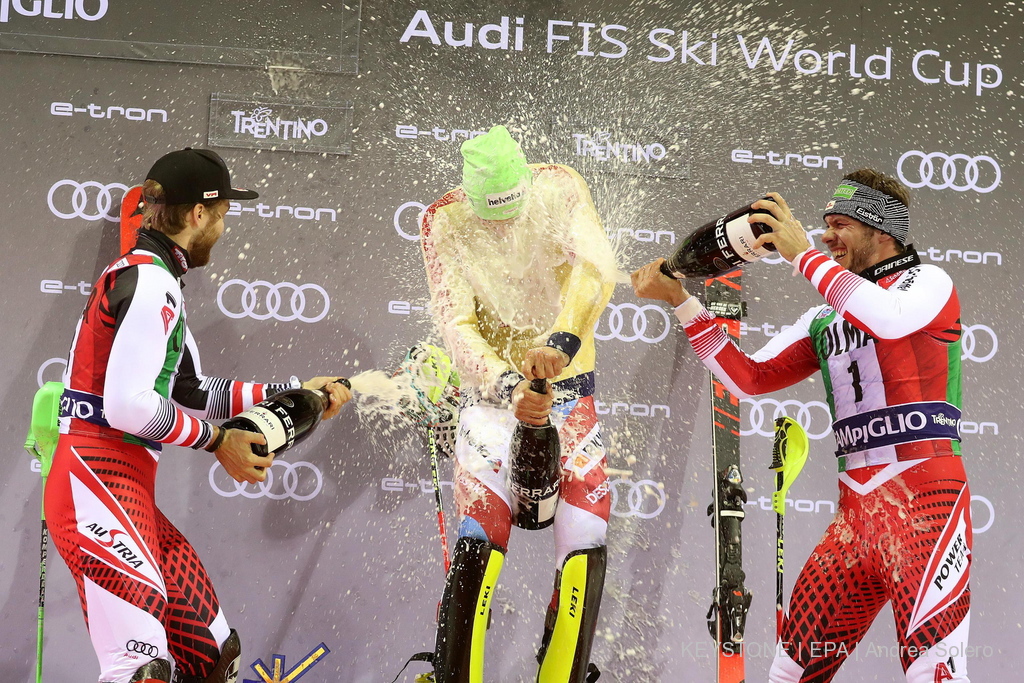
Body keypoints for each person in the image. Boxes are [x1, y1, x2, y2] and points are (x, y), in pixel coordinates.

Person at [632, 170, 971, 683]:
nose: (827, 236)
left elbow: (886, 319)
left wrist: (799, 255)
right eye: (824, 225)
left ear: (882, 231)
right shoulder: (823, 317)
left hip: (926, 502)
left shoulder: (928, 284)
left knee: (933, 673)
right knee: (791, 673)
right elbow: (749, 378)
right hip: (857, 515)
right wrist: (681, 301)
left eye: (840, 225)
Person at [44, 148, 352, 683]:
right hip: (96, 480)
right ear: (198, 215)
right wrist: (218, 443)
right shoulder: (148, 283)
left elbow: (193, 389)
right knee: (140, 670)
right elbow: (125, 406)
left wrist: (299, 391)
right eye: (225, 214)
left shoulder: (160, 281)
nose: (225, 228)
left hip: (126, 488)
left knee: (212, 657)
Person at [417, 125, 618, 682]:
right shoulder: (443, 220)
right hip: (491, 395)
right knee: (481, 534)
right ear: (470, 198)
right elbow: (454, 325)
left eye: (512, 214)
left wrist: (561, 341)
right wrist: (508, 386)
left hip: (567, 387)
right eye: (492, 218)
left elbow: (596, 267)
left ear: (526, 184)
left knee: (584, 534)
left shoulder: (559, 188)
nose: (504, 230)